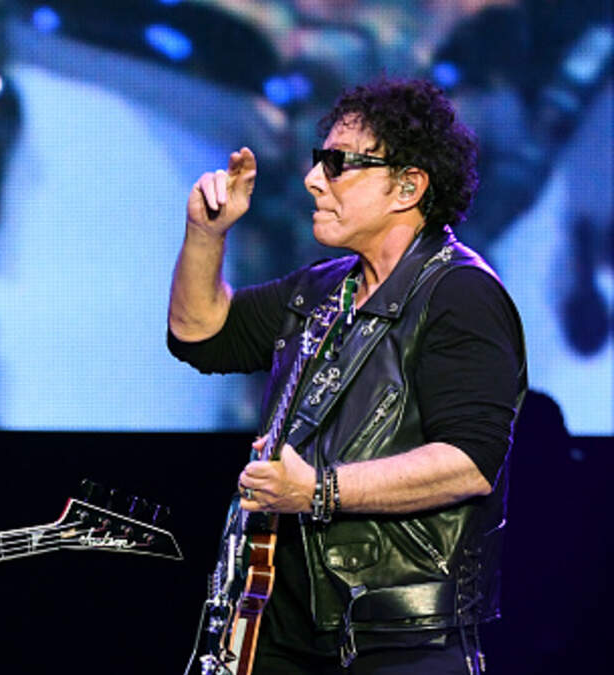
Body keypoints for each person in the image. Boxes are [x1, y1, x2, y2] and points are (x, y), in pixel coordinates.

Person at [168, 78, 526, 674]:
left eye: (338, 164)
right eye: (319, 161)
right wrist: (207, 234)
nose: (314, 179)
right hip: (284, 627)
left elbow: (469, 461)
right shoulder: (320, 290)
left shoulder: (461, 294)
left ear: (408, 186)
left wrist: (319, 490)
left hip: (395, 639)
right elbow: (199, 333)